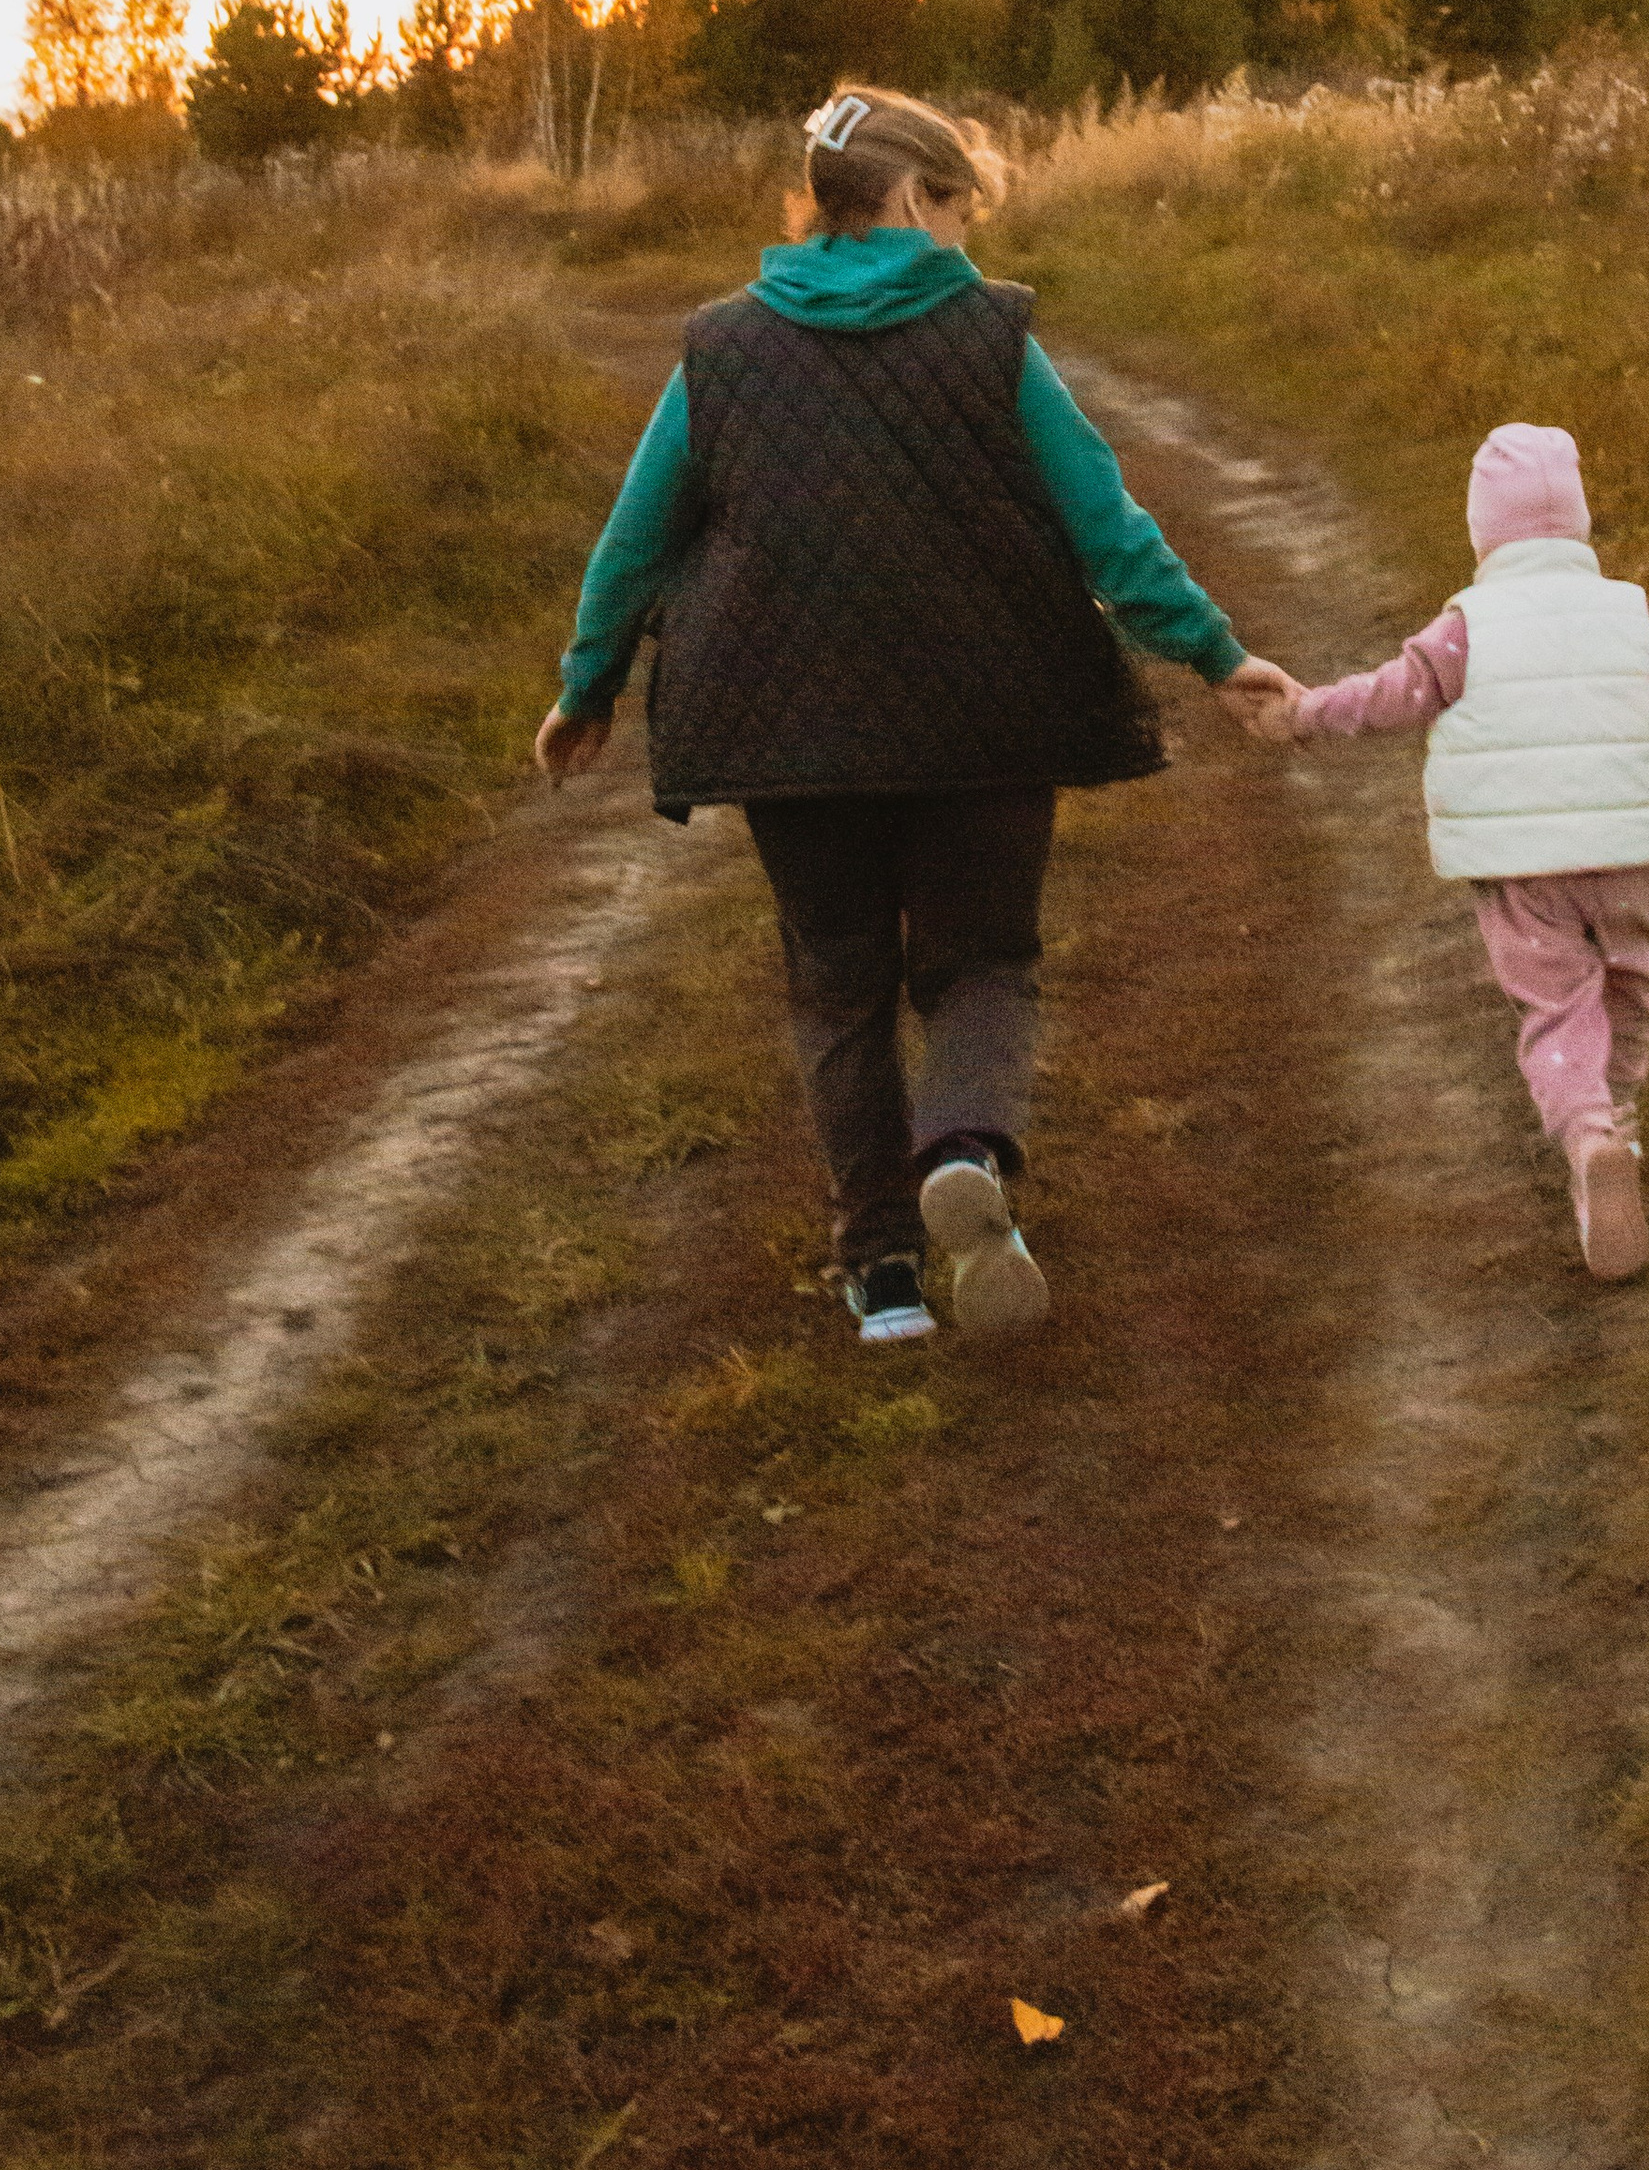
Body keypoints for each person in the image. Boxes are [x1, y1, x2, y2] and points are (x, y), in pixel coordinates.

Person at [536, 86, 1291, 1347]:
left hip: (783, 730)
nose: (965, 240)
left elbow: (637, 534)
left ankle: (881, 1274)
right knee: (981, 961)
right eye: (957, 208)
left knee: (837, 992)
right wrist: (1215, 655)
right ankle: (965, 1152)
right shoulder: (987, 333)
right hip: (988, 713)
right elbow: (1101, 519)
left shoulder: (721, 349)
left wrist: (587, 687)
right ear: (908, 198)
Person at [1250, 420, 1649, 1281]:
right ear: (1579, 524)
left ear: (1481, 533)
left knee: (1558, 1003)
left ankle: (1588, 1132)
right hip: (1630, 848)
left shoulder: (1467, 627)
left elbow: (1394, 695)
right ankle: (1624, 1112)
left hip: (1523, 861)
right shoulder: (1630, 614)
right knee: (1632, 974)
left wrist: (1304, 714)